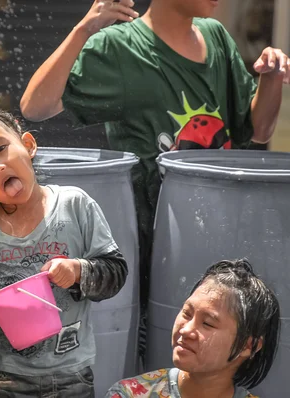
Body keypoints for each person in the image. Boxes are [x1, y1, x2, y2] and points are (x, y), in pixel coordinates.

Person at [19, 0, 290, 355]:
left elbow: (257, 129)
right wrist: (84, 29)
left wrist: (271, 78)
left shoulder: (217, 37)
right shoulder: (120, 46)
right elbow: (35, 106)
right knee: (161, 350)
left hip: (223, 233)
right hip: (158, 248)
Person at [0, 110, 128, 397]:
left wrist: (77, 271)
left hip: (70, 369)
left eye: (0, 148)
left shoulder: (75, 204)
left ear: (29, 145)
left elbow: (116, 272)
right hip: (3, 373)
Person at [105, 258, 280, 398]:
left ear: (248, 346)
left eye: (208, 323)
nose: (186, 330)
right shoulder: (128, 394)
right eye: (187, 313)